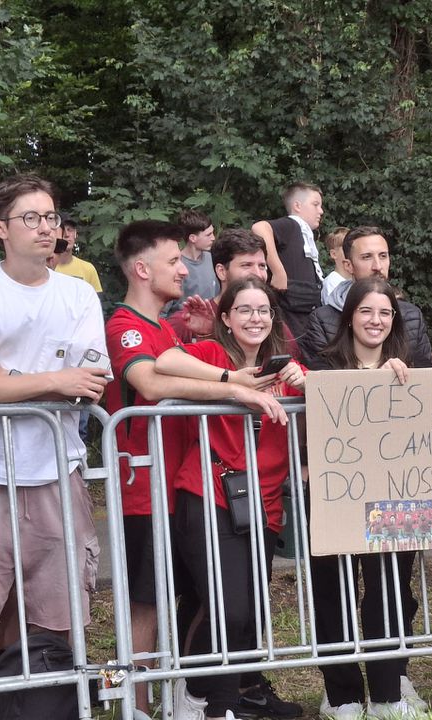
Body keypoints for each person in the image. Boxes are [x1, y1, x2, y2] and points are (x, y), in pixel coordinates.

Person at [106, 222, 293, 718]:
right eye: (174, 261)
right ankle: (139, 705)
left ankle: (188, 697)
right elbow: (150, 378)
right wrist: (234, 384)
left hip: (178, 485)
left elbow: (178, 359)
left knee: (199, 598)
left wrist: (227, 367)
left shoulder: (166, 327)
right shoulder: (125, 323)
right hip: (146, 486)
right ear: (144, 269)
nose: (184, 268)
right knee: (144, 603)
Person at [155, 276, 306, 720]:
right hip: (208, 492)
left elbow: (340, 403)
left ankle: (216, 697)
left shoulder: (290, 368)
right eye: (244, 309)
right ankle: (208, 702)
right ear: (226, 317)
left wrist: (305, 382)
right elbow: (163, 361)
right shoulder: (211, 354)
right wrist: (231, 384)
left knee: (248, 613)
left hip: (264, 503)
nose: (255, 318)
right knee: (227, 606)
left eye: (263, 310)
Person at [308, 277, 432, 720]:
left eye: (385, 313)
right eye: (367, 311)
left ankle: (388, 694)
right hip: (337, 496)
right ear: (350, 316)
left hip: (397, 499)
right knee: (332, 589)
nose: (376, 321)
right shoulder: (324, 363)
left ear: (395, 320)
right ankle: (342, 695)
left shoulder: (411, 366)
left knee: (389, 589)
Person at [0, 174, 108, 669]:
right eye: (29, 218)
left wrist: (7, 378)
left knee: (62, 610)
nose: (44, 227)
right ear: (0, 228)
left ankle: (55, 701)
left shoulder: (78, 296)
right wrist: (58, 379)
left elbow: (90, 383)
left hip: (57, 468)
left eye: (51, 217)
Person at [300, 226, 432, 370]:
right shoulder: (322, 321)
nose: (377, 266)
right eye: (367, 257)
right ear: (348, 266)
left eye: (383, 256)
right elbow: (319, 385)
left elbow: (425, 377)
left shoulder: (412, 316)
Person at [167, 228, 270, 343]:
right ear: (221, 271)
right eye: (246, 265)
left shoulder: (269, 321)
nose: (258, 274)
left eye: (262, 266)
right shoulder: (187, 321)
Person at [252, 182, 325, 341]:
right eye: (315, 204)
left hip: (305, 309)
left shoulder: (304, 233)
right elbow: (260, 228)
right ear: (297, 206)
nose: (321, 211)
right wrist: (278, 270)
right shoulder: (292, 224)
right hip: (291, 312)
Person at [164, 209, 218, 316]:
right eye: (208, 235)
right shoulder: (176, 266)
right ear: (193, 238)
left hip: (210, 324)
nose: (213, 238)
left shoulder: (212, 258)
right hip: (183, 325)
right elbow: (162, 310)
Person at [54, 211, 103, 294]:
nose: (66, 234)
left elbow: (95, 304)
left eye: (70, 230)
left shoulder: (88, 269)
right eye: (62, 229)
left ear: (76, 234)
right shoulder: (45, 268)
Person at [321, 226, 351, 305]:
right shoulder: (331, 282)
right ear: (334, 254)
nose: (350, 251)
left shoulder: (355, 280)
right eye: (346, 248)